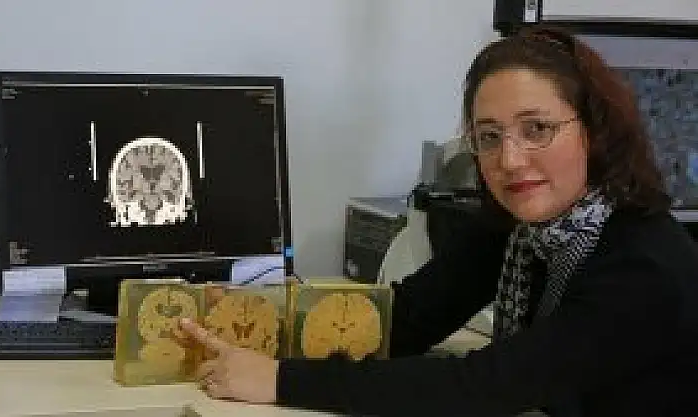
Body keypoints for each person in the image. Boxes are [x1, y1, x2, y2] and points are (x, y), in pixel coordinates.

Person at [177, 26, 698, 417]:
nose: (510, 160)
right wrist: (258, 318)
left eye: (537, 129)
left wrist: (278, 381)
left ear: (596, 132)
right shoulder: (519, 229)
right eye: (489, 137)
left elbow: (484, 386)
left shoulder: (644, 267)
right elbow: (406, 320)